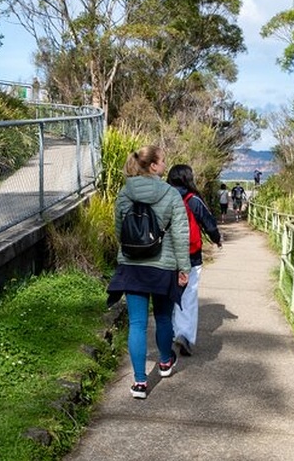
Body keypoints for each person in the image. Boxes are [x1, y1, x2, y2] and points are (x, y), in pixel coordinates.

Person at [107, 146, 191, 399]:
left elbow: (120, 230)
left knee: (137, 324)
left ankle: (140, 383)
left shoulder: (124, 193)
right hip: (163, 266)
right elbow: (179, 234)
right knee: (164, 318)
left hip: (132, 266)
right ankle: (165, 362)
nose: (165, 165)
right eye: (163, 161)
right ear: (153, 166)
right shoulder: (171, 194)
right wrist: (183, 267)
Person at [167, 164, 222, 357]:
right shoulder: (193, 199)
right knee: (188, 296)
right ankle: (185, 336)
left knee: (169, 295)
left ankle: (171, 333)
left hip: (166, 255)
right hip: (191, 256)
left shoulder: (163, 197)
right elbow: (209, 223)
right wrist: (217, 239)